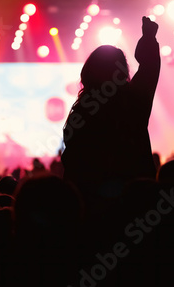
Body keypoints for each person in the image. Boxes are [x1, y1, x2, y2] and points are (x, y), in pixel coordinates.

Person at [61, 16, 160, 190]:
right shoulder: (134, 101)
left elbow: (72, 160)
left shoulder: (82, 110)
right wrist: (149, 39)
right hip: (135, 194)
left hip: (91, 200)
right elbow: (149, 68)